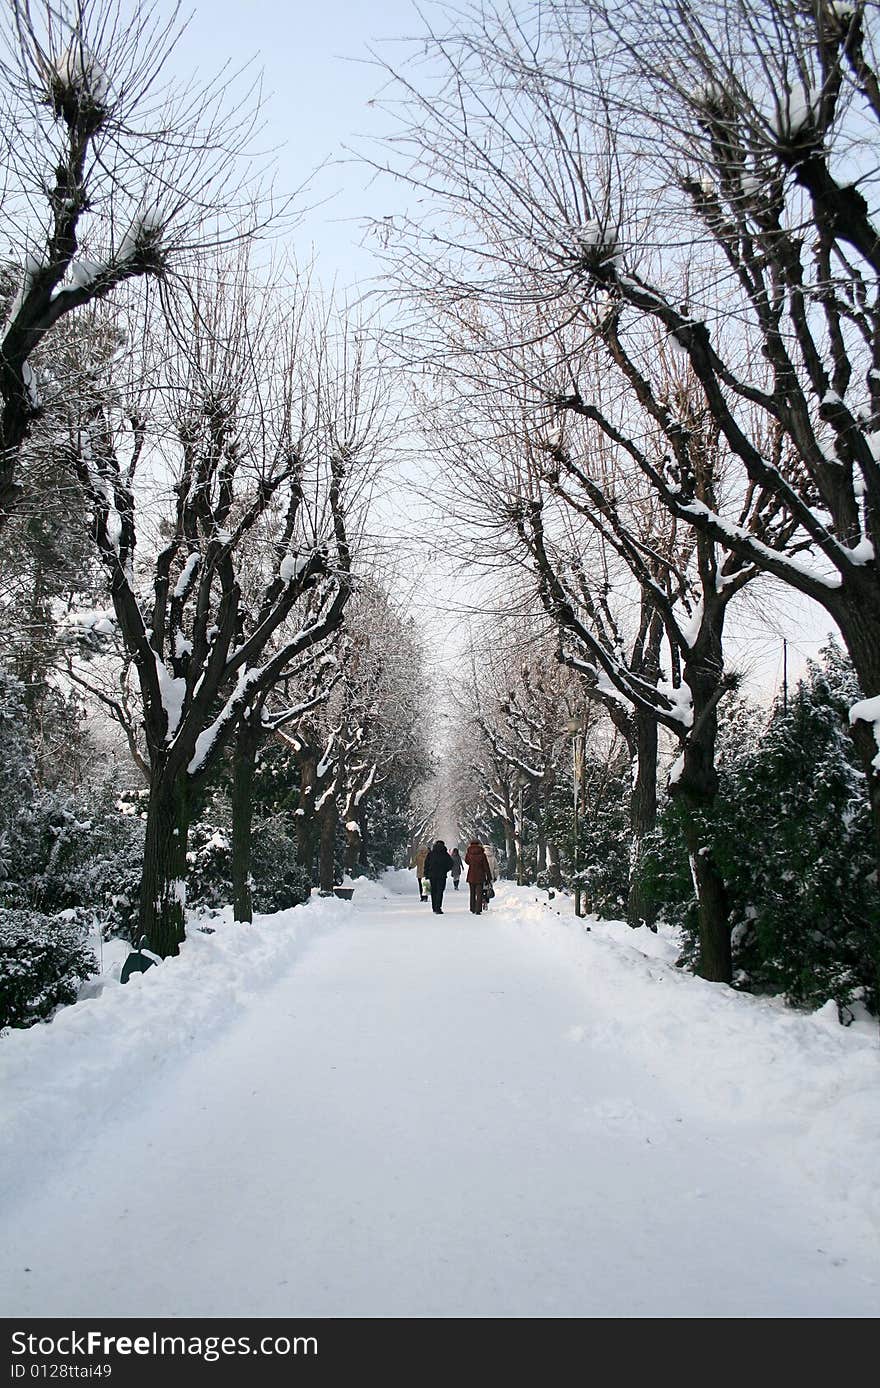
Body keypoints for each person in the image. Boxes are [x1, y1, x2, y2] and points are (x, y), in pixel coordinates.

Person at [424, 839, 454, 914]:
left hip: (432, 875)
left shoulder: (431, 854)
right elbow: (451, 863)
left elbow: (426, 864)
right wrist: (445, 870)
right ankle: (438, 907)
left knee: (433, 891)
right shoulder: (445, 854)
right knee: (440, 891)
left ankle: (434, 907)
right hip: (442, 875)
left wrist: (426, 874)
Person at [465, 839, 493, 915]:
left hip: (471, 875)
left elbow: (467, 862)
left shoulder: (469, 853)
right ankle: (478, 909)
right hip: (480, 876)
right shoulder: (482, 854)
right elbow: (486, 866)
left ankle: (472, 908)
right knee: (479, 893)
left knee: (472, 893)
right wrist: (489, 877)